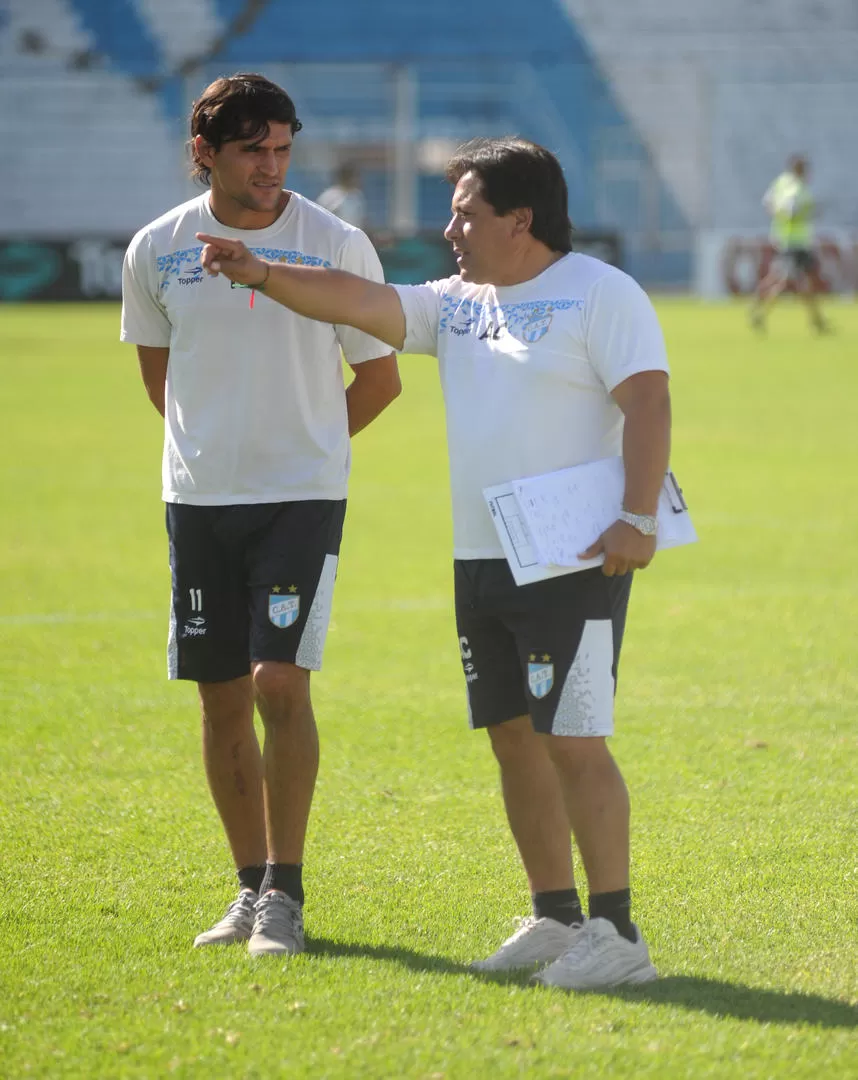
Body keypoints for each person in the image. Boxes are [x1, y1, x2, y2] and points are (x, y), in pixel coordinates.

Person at [195, 135, 671, 991]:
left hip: (575, 557)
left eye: (464, 212)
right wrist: (264, 273)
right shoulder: (457, 303)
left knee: (575, 740)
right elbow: (358, 298)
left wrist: (638, 517)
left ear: (519, 219)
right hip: (481, 556)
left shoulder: (602, 293)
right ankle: (557, 917)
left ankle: (619, 929)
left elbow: (648, 399)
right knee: (512, 740)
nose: (448, 228)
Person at [120, 73, 400, 958]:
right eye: (254, 151)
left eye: (282, 148)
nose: (273, 166)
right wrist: (217, 452)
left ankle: (286, 893)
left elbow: (381, 378)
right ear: (205, 152)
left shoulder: (336, 242)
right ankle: (246, 890)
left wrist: (309, 445)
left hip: (302, 498)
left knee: (280, 683)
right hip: (198, 501)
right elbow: (160, 382)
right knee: (220, 698)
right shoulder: (156, 248)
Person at [749, 154, 831, 333]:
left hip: (788, 239)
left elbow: (768, 202)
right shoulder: (795, 188)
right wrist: (808, 213)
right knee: (787, 281)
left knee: (798, 279)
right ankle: (760, 313)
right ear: (800, 169)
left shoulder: (782, 182)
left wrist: (779, 215)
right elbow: (792, 212)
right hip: (794, 242)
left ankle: (817, 320)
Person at [316, 162, 367, 229]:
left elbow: (362, 220)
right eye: (354, 177)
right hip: (334, 237)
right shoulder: (329, 196)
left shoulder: (357, 195)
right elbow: (319, 219)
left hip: (352, 237)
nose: (357, 180)